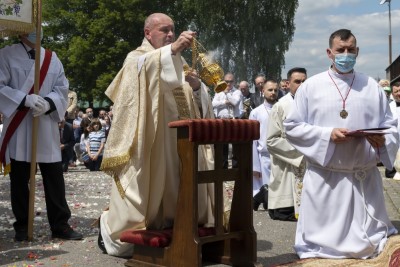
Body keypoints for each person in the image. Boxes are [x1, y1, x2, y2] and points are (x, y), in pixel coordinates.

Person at [98, 13, 215, 256]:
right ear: (148, 33)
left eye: (172, 29)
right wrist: (171, 50)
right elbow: (139, 73)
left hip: (182, 141)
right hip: (153, 142)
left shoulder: (180, 63)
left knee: (179, 179)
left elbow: (199, 105)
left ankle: (179, 221)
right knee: (153, 185)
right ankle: (114, 226)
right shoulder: (137, 58)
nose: (171, 34)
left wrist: (196, 88)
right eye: (164, 30)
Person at [283, 29, 398, 259]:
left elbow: (391, 125)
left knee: (371, 243)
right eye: (340, 50)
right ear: (329, 53)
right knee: (322, 249)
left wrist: (383, 139)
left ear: (357, 51)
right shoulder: (311, 87)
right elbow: (292, 127)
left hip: (362, 178)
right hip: (327, 178)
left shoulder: (372, 87)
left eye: (351, 50)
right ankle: (322, 249)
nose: (346, 54)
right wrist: (327, 135)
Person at [0, 30, 83, 241]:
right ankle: (22, 226)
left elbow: (62, 88)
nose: (38, 32)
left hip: (44, 125)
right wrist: (23, 99)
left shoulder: (52, 57)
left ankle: (60, 225)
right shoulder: (6, 54)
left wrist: (49, 103)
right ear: (21, 32)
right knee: (19, 179)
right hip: (19, 123)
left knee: (54, 177)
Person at [266, 67, 307, 221]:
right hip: (289, 161)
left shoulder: (313, 104)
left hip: (310, 160)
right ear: (288, 83)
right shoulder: (281, 106)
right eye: (297, 81)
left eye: (304, 81)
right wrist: (300, 151)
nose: (301, 85)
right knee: (287, 207)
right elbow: (271, 140)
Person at [249, 79, 278, 211]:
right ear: (263, 91)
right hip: (264, 156)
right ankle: (259, 199)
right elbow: (253, 140)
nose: (273, 93)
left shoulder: (282, 108)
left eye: (275, 90)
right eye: (270, 90)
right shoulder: (256, 112)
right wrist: (255, 166)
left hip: (280, 155)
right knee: (265, 187)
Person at [212, 72, 242, 168]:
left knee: (235, 146)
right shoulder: (218, 92)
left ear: (234, 82)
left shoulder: (237, 92)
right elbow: (213, 104)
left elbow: (235, 102)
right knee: (222, 145)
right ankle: (222, 169)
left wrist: (227, 94)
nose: (228, 84)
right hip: (221, 121)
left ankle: (235, 169)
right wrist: (225, 102)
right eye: (226, 81)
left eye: (231, 81)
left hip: (234, 120)